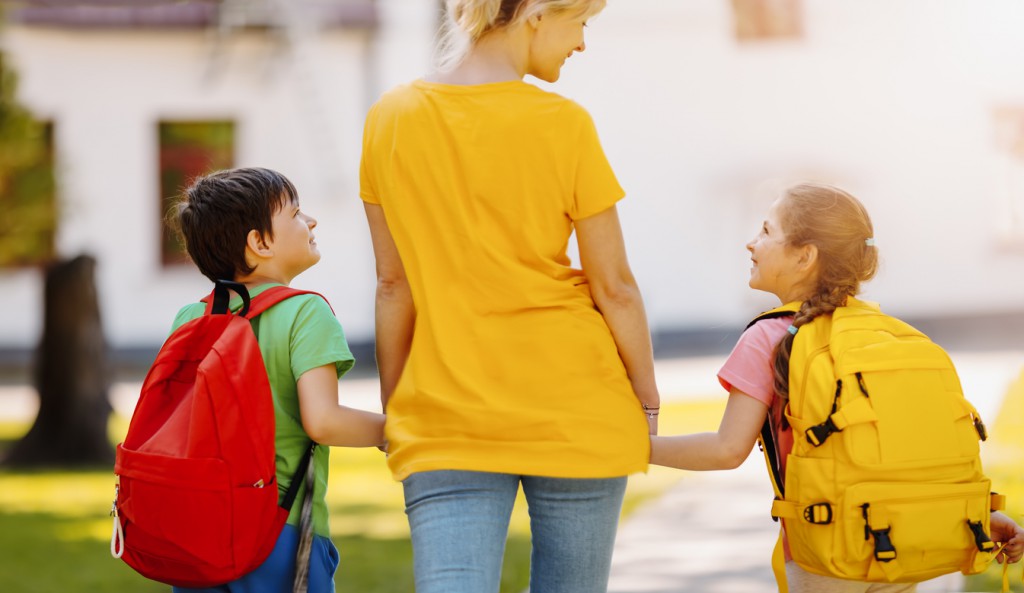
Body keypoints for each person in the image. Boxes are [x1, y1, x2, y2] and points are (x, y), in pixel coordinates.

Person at [358, 1, 657, 591]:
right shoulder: (564, 122)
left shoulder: (389, 117)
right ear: (538, 14)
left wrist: (400, 401)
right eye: (583, 23)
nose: (583, 44)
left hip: (446, 413)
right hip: (577, 406)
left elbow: (395, 285)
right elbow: (614, 287)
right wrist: (645, 399)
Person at [649, 182, 1024, 592]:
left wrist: (634, 446)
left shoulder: (769, 337)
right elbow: (907, 453)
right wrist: (975, 514)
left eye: (766, 231)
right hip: (896, 547)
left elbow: (725, 450)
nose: (750, 243)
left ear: (805, 256)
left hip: (827, 557)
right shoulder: (888, 335)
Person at [170, 167, 386, 593]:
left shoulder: (190, 318)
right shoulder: (305, 313)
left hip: (196, 530)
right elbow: (322, 421)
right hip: (276, 529)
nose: (311, 222)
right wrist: (394, 430)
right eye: (297, 213)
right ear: (260, 242)